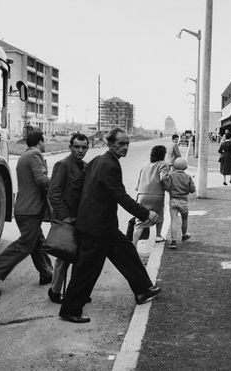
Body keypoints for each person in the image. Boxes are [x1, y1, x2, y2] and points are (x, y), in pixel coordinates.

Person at [59, 127, 161, 323]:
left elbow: (77, 185)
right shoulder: (109, 165)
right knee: (87, 270)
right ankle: (70, 310)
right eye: (121, 143)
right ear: (110, 144)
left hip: (101, 225)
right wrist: (146, 213)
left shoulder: (98, 160)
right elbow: (120, 196)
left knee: (126, 253)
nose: (125, 147)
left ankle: (143, 290)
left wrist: (85, 207)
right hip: (97, 228)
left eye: (127, 143)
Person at [0, 129, 53, 296]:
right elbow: (42, 181)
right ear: (40, 142)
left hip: (24, 208)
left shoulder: (24, 156)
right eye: (44, 142)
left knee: (38, 242)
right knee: (25, 245)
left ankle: (47, 273)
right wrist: (59, 180)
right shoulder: (35, 155)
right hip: (30, 210)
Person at [46, 132, 89, 304]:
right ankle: (55, 291)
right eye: (76, 147)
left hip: (81, 219)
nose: (80, 150)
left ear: (88, 148)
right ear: (70, 147)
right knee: (64, 256)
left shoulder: (85, 166)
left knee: (79, 257)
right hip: (66, 219)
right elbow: (53, 192)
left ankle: (75, 292)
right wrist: (65, 217)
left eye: (83, 147)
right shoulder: (62, 165)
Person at [133, 145, 169, 245]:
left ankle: (134, 244)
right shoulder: (164, 164)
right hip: (156, 194)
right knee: (159, 215)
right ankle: (158, 236)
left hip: (142, 194)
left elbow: (140, 180)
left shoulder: (145, 164)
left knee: (140, 221)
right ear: (163, 154)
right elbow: (163, 178)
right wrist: (167, 187)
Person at [161, 157, 196, 250]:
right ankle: (184, 235)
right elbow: (192, 190)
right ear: (185, 167)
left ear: (175, 166)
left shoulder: (171, 175)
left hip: (173, 201)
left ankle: (173, 241)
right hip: (184, 201)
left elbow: (167, 187)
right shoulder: (188, 177)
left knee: (174, 221)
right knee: (185, 219)